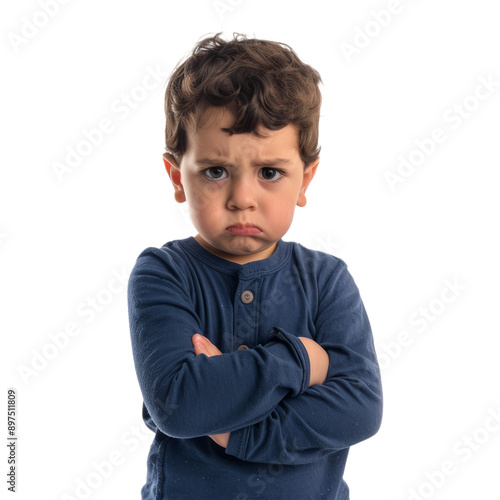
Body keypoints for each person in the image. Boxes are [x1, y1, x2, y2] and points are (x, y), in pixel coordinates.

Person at [127, 32, 383, 500]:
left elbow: (360, 409)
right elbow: (179, 404)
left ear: (304, 180)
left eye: (269, 173)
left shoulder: (327, 280)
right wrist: (302, 359)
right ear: (176, 177)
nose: (242, 198)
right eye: (215, 171)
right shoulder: (162, 274)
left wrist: (235, 430)